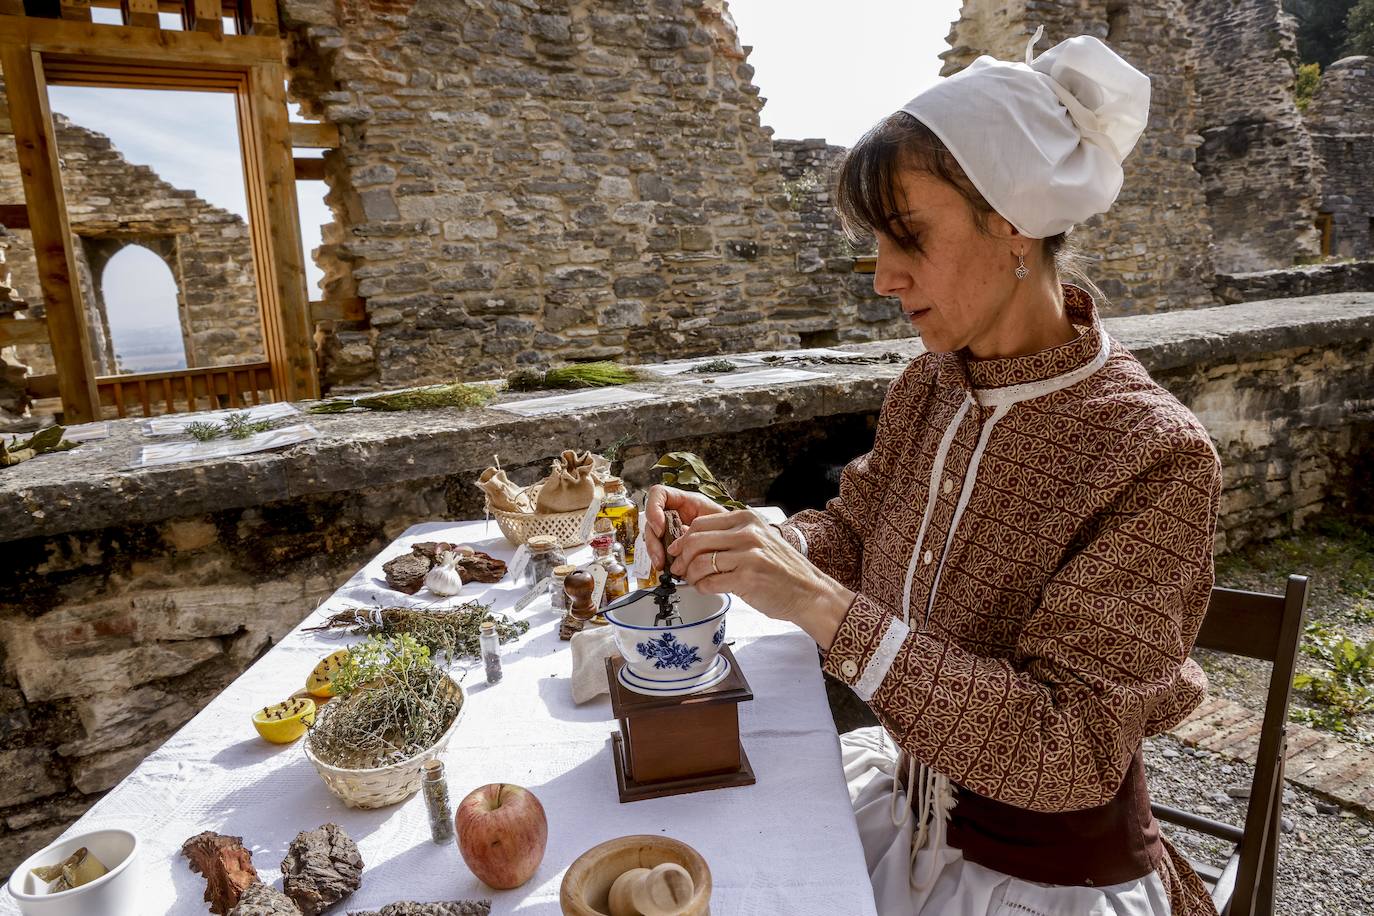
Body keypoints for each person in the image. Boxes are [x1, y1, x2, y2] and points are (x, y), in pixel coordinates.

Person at [642, 27, 1223, 916]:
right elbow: (856, 531)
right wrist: (750, 543)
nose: (881, 277)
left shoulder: (1152, 454)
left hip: (1039, 882)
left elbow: (1065, 747)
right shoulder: (931, 385)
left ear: (1015, 221)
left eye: (907, 236)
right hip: (909, 820)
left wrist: (820, 606)